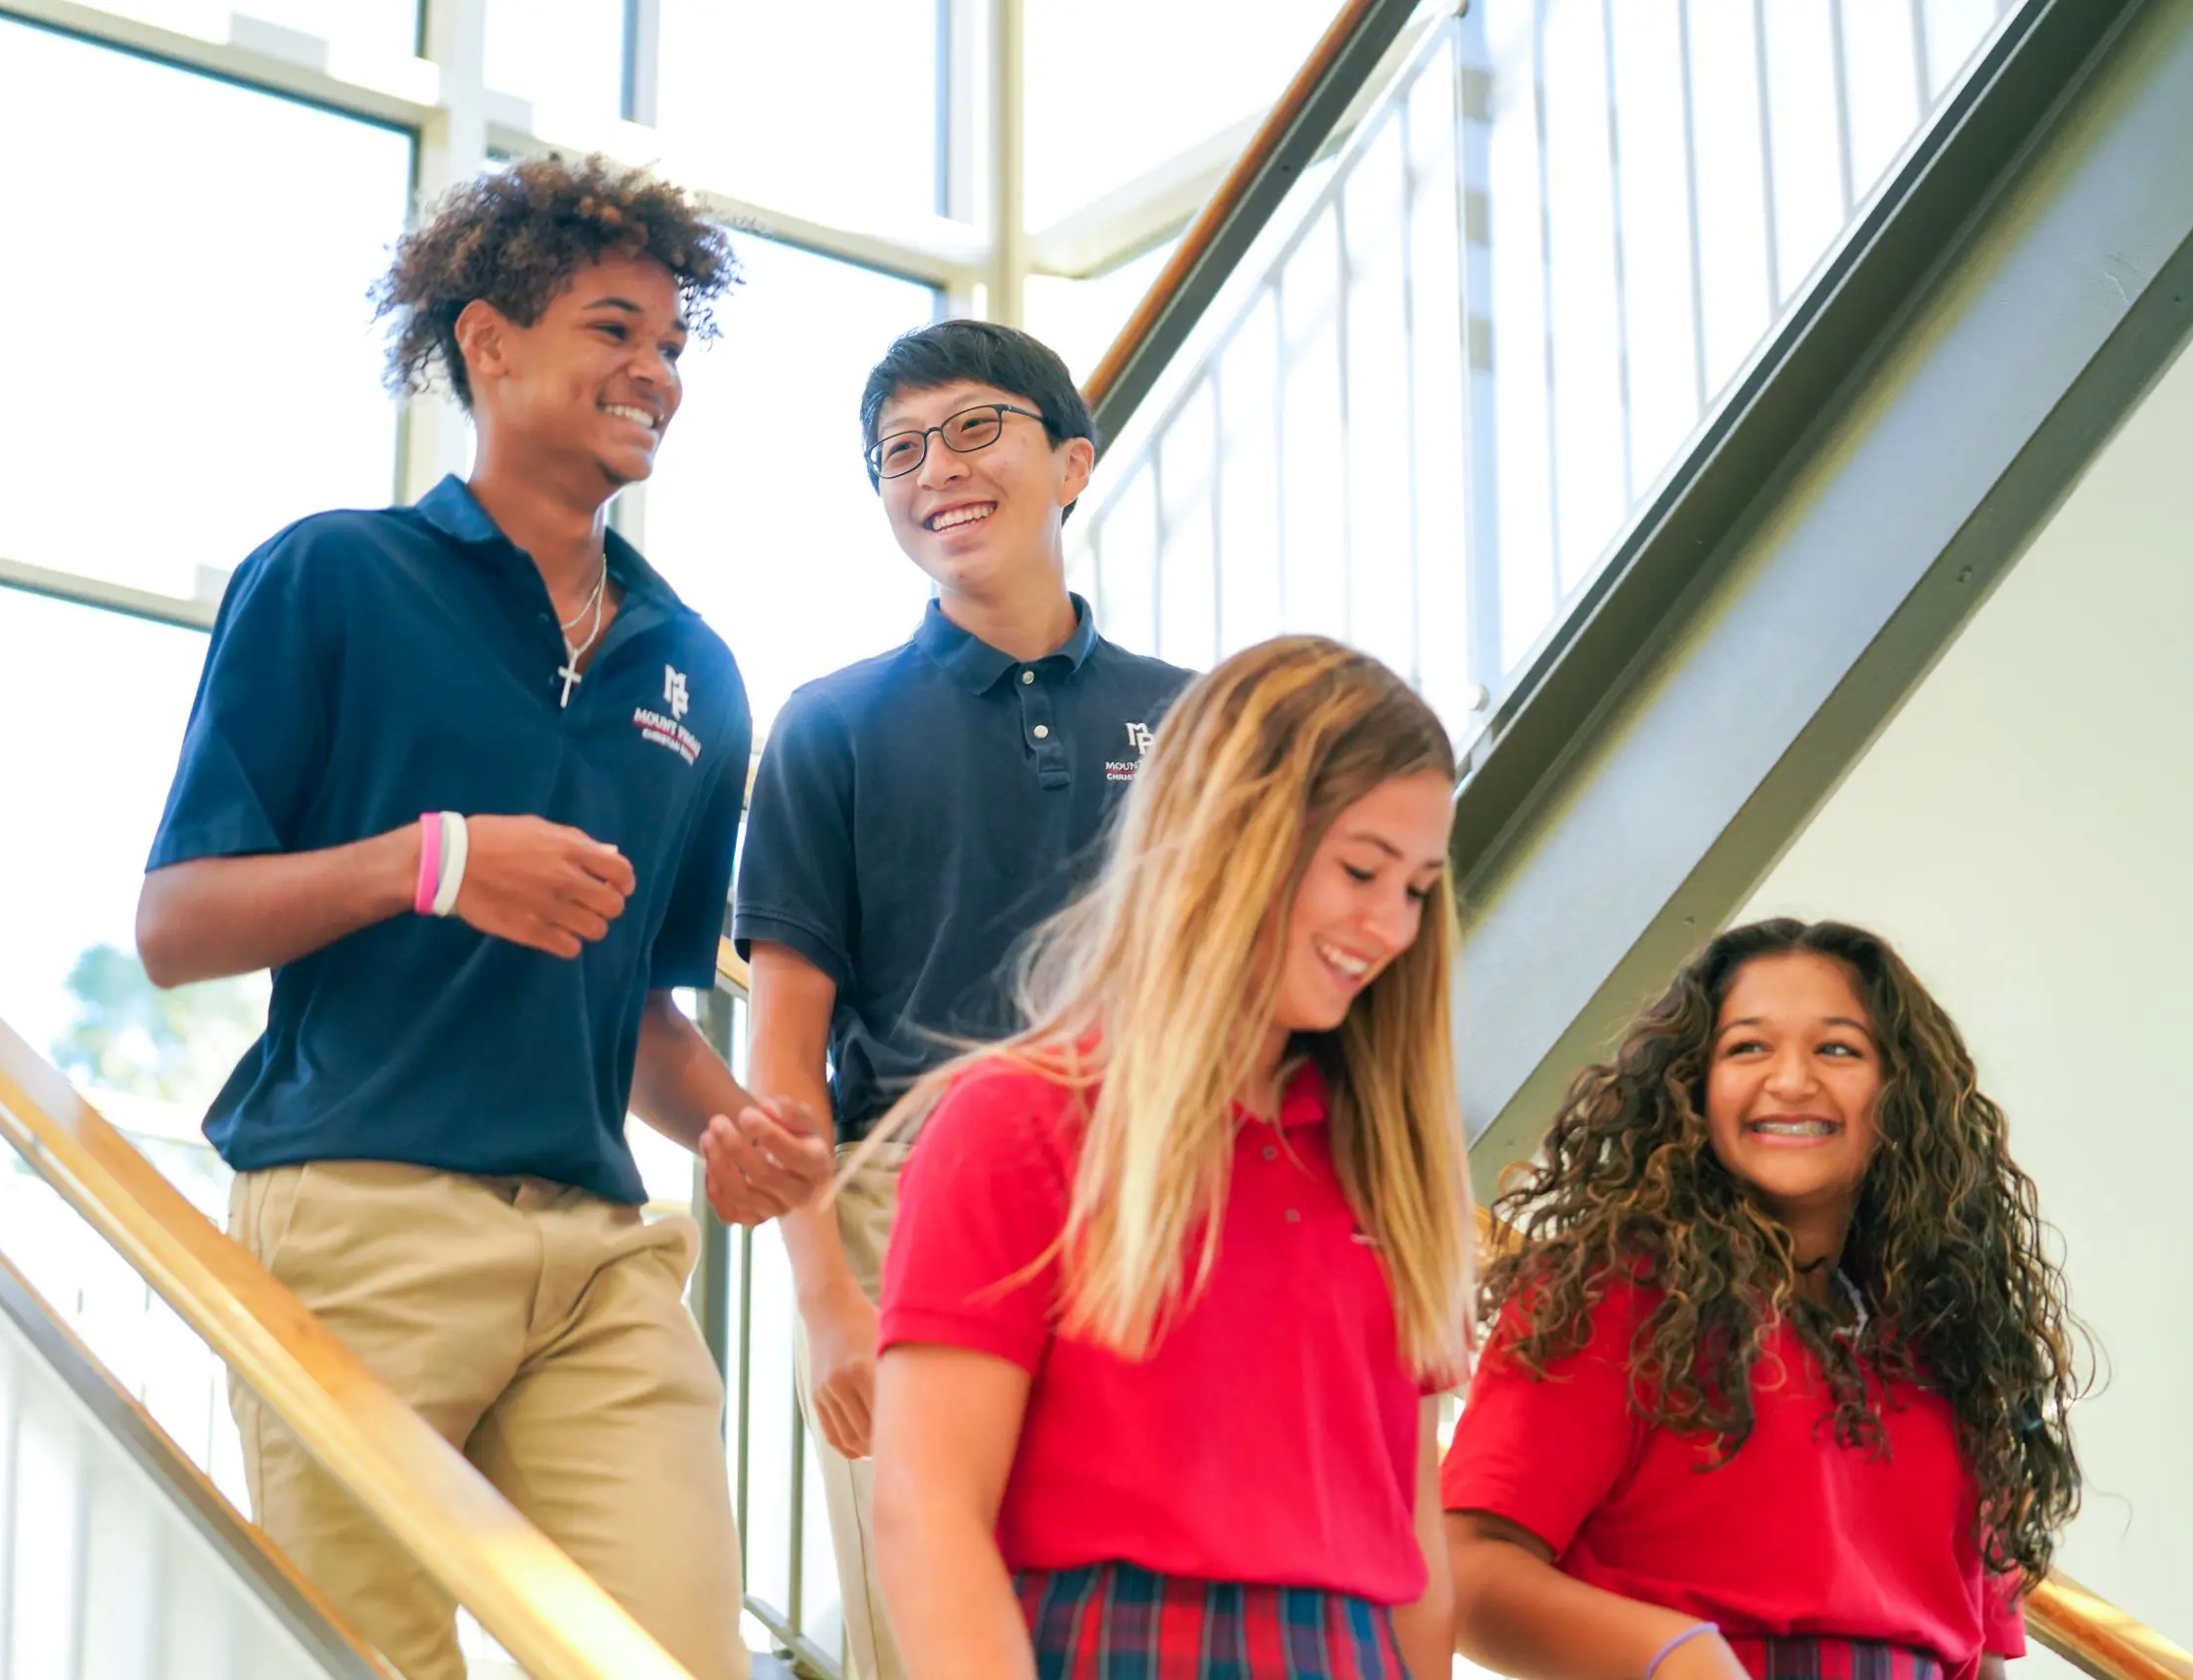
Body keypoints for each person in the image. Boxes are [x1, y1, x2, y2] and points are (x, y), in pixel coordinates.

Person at [135, 154, 832, 1680]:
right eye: (612, 329)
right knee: (367, 1663)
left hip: (597, 1257)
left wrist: (737, 1126)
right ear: (488, 342)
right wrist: (431, 863)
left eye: (670, 345)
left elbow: (639, 1008)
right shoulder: (330, 578)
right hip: (360, 1225)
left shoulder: (696, 671)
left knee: (681, 1663)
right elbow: (177, 924)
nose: (654, 371)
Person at [864, 635, 1478, 1679]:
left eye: (1418, 888)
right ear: (1228, 837)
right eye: (1362, 869)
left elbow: (1418, 1556)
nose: (1390, 927)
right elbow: (927, 1511)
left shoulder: (1395, 1170)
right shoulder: (1014, 1124)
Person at [735, 319, 1190, 1677]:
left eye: (976, 429)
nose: (936, 468)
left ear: (1073, 463)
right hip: (906, 1207)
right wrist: (823, 1298)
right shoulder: (830, 724)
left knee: (1149, 1617)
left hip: (1150, 1199)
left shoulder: (1199, 721)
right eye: (899, 452)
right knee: (933, 1631)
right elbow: (783, 1055)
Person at [1442, 919, 2086, 1680]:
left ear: (1901, 1093)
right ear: (1693, 1085)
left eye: (1837, 1049)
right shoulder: (1612, 1295)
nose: (1790, 1081)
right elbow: (1466, 1570)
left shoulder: (1954, 1351)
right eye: (1748, 1047)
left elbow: (1977, 1660)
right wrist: (1679, 1660)